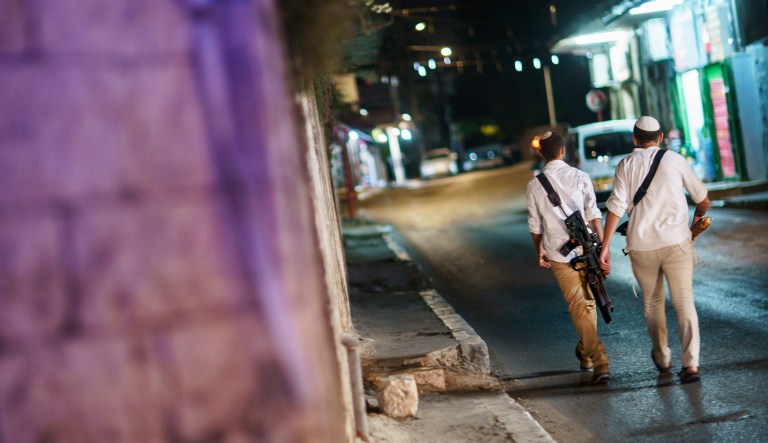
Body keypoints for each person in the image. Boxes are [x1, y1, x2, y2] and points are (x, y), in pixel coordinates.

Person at [598, 116, 710, 383]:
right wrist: (694, 224)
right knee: (684, 301)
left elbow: (614, 207)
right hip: (677, 243)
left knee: (652, 303)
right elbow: (703, 199)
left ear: (634, 139)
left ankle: (662, 357)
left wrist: (605, 247)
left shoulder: (625, 164)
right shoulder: (674, 160)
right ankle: (691, 364)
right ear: (661, 138)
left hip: (641, 246)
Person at [527, 131, 610, 384]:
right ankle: (591, 354)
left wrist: (538, 249)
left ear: (541, 153)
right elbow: (594, 213)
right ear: (563, 151)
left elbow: (535, 225)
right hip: (587, 250)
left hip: (559, 255)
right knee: (587, 304)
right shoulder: (580, 176)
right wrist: (603, 247)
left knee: (583, 305)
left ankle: (595, 357)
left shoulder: (534, 185)